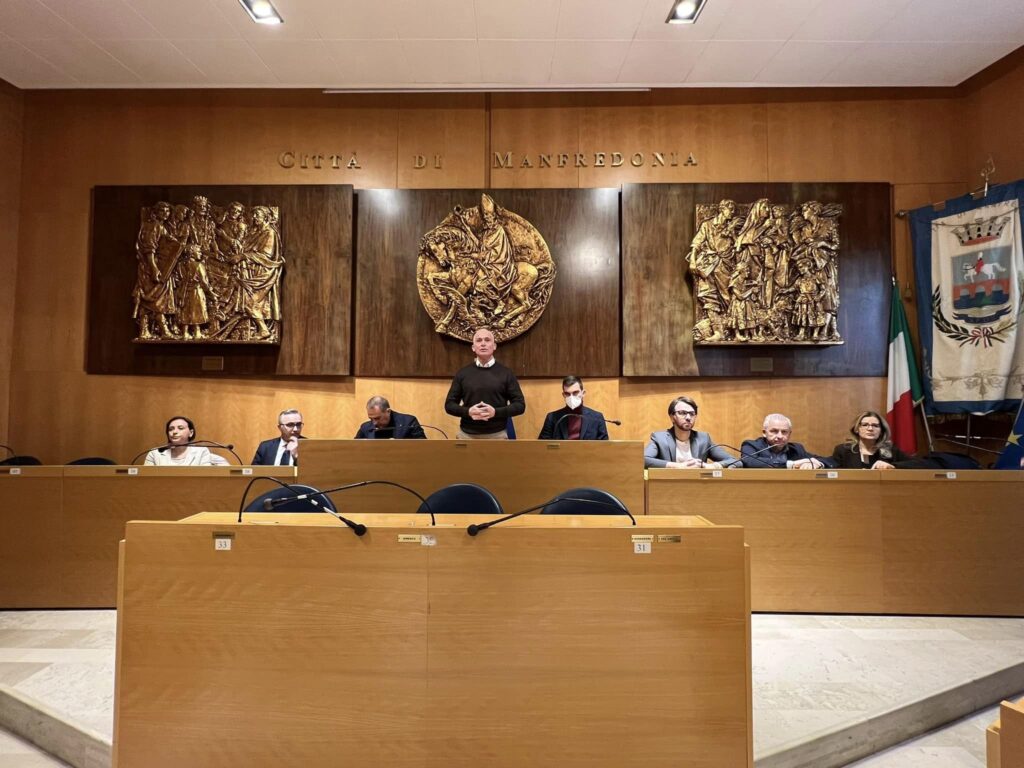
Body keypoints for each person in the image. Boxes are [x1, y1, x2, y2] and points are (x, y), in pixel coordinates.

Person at [444, 327, 526, 439]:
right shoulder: (462, 373)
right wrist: (468, 411)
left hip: (498, 435)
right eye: (479, 340)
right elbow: (449, 405)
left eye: (487, 340)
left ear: (494, 346)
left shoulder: (506, 373)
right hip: (466, 435)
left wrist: (495, 412)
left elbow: (520, 405)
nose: (483, 344)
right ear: (473, 347)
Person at [644, 396, 735, 469]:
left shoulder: (703, 439)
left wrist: (710, 466)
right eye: (682, 413)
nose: (688, 417)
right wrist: (677, 466)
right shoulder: (660, 438)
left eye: (692, 414)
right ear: (672, 417)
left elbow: (734, 460)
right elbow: (643, 460)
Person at [741, 413, 831, 468]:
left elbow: (829, 460)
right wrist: (792, 464)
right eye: (774, 431)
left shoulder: (796, 449)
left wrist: (817, 464)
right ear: (764, 433)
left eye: (784, 432)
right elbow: (749, 461)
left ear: (789, 434)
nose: (780, 436)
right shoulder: (751, 445)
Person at [830, 411, 913, 469]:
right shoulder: (843, 451)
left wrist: (893, 466)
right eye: (865, 425)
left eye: (875, 426)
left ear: (881, 431)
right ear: (857, 429)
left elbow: (920, 463)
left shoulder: (891, 450)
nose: (870, 429)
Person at [538, 376, 608, 440]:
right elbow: (542, 445)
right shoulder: (552, 417)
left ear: (583, 393)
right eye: (567, 394)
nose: (571, 397)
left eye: (575, 393)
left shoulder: (597, 417)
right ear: (563, 395)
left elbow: (604, 446)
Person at [144, 416, 226, 466]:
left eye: (180, 428)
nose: (174, 432)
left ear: (191, 432)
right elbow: (146, 480)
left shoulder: (201, 452)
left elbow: (205, 478)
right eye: (171, 429)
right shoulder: (154, 454)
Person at [355, 396, 426, 439]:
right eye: (371, 419)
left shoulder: (409, 422)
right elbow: (354, 448)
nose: (374, 423)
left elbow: (423, 447)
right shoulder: (365, 427)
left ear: (388, 411)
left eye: (377, 418)